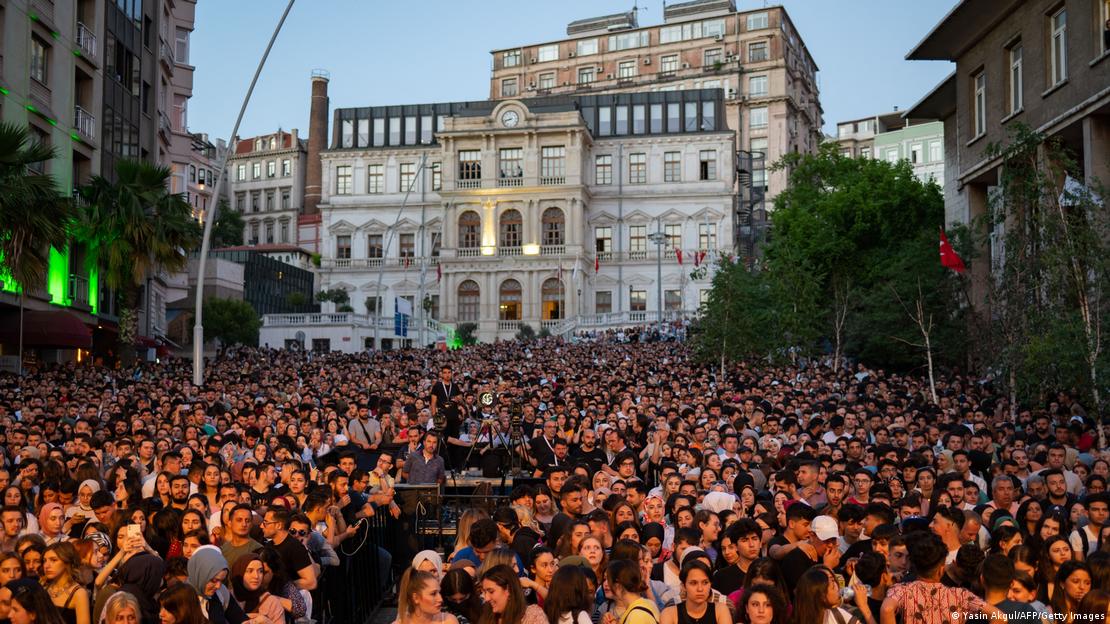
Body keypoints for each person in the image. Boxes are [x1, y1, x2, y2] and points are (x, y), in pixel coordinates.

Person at [880, 533, 1006, 623]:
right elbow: (1000, 616)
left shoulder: (900, 590)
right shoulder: (960, 595)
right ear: (941, 568)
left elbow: (887, 609)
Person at [186, 545, 248, 624]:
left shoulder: (221, 592)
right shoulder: (179, 598)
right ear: (200, 574)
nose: (218, 586)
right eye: (213, 580)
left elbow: (239, 618)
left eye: (222, 581)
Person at [659, 560, 731, 624]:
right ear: (683, 586)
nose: (700, 589)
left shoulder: (720, 610)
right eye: (693, 583)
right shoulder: (669, 614)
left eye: (705, 582)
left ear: (710, 584)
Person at [477, 564, 546, 624]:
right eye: (485, 592)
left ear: (508, 589)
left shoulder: (532, 616)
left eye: (491, 591)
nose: (486, 598)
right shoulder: (486, 617)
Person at [41, 543, 90, 624]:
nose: (46, 565)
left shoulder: (79, 593)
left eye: (53, 560)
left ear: (66, 561)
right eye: (44, 560)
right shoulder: (44, 587)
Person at [230, 554, 283, 624]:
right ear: (239, 572)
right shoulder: (227, 598)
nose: (256, 576)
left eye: (260, 571)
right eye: (250, 571)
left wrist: (267, 622)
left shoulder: (271, 602)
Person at [395, 567, 459, 624]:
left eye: (439, 592)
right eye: (433, 594)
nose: (440, 599)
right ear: (415, 598)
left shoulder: (449, 620)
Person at [604, 559, 659, 624]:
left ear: (618, 585)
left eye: (608, 579)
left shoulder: (637, 615)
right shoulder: (649, 603)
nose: (605, 584)